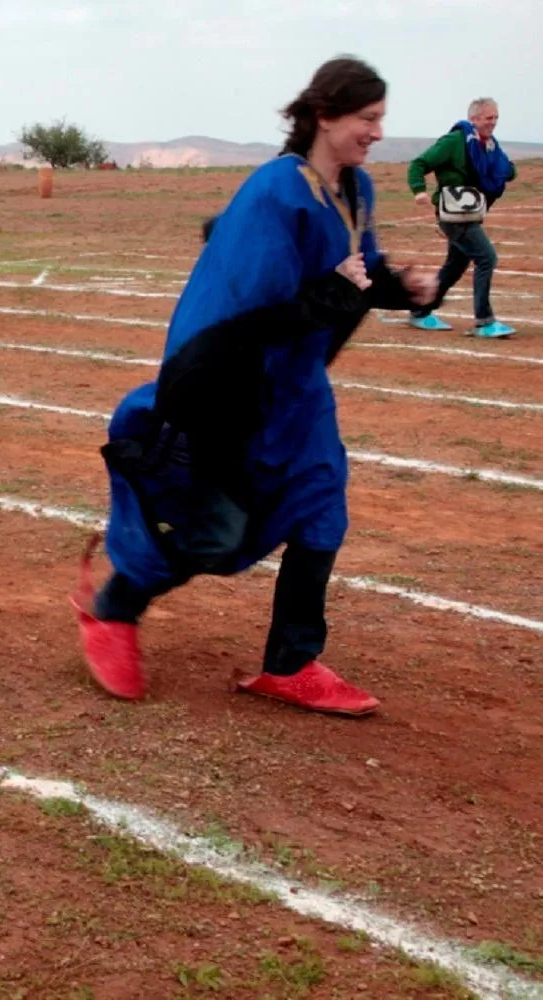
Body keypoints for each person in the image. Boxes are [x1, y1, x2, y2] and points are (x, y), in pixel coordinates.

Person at [70, 57, 438, 717]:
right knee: (210, 535)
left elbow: (354, 272)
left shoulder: (355, 192)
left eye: (381, 119)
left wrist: (397, 288)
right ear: (325, 115)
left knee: (323, 507)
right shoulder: (276, 193)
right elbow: (251, 316)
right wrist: (337, 292)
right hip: (235, 394)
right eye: (368, 119)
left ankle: (291, 663)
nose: (378, 132)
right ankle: (114, 608)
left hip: (299, 391)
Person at [407, 98, 517, 338]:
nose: (493, 122)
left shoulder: (488, 145)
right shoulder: (454, 142)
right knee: (486, 258)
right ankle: (484, 321)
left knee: (455, 265)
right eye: (489, 118)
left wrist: (502, 168)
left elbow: (508, 170)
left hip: (471, 212)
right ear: (474, 119)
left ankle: (420, 310)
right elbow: (419, 164)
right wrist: (419, 190)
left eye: (496, 117)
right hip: (453, 214)